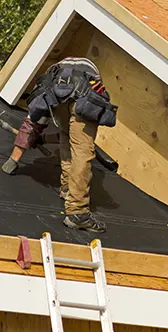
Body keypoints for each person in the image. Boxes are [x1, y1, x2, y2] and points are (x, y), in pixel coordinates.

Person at [1, 57, 117, 233]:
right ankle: (77, 211)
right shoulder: (88, 79)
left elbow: (32, 125)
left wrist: (13, 161)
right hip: (84, 94)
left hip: (62, 93)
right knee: (82, 151)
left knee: (66, 135)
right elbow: (77, 140)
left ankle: (66, 188)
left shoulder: (50, 86)